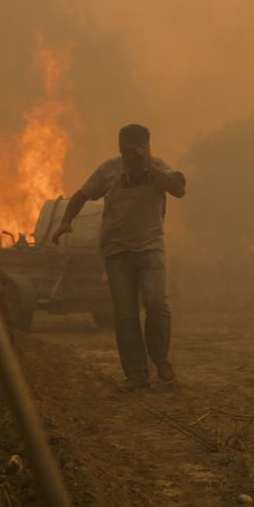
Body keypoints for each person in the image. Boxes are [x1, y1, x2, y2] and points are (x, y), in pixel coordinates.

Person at [52, 124, 187, 390]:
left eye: (136, 150)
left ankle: (160, 359)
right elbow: (82, 194)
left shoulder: (158, 168)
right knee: (125, 316)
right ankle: (137, 375)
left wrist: (149, 166)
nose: (130, 157)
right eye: (126, 150)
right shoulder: (109, 169)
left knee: (157, 305)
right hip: (117, 253)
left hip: (150, 248)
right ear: (119, 148)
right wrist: (66, 220)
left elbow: (178, 189)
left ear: (147, 148)